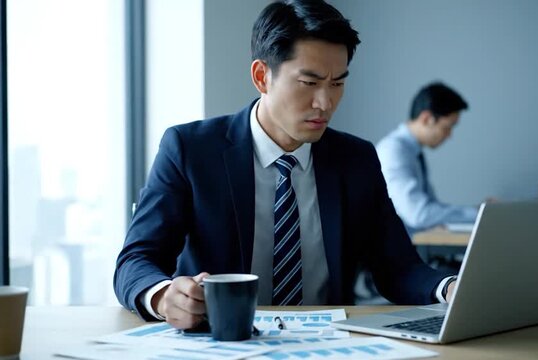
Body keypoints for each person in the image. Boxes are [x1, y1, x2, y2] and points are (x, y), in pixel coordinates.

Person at [113, 0, 456, 330]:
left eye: (337, 83)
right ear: (262, 76)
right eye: (309, 83)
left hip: (328, 346)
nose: (325, 102)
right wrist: (162, 296)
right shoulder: (190, 150)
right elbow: (136, 260)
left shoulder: (356, 160)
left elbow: (398, 267)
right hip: (224, 343)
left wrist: (450, 288)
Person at [376, 82, 478, 236]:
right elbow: (419, 214)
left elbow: (430, 207)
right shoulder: (394, 151)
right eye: (447, 127)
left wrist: (477, 211)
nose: (449, 135)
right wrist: (477, 214)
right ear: (426, 118)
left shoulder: (412, 152)